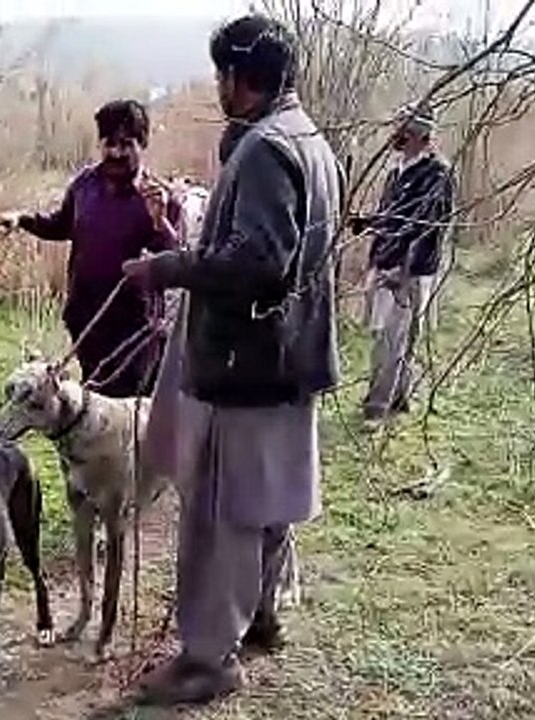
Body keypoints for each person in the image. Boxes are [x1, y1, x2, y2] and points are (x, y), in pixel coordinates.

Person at [122, 14, 345, 707]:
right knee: (267, 502)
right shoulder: (310, 140)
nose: (217, 85)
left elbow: (260, 261)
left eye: (221, 73)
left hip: (247, 365)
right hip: (288, 357)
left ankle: (207, 660)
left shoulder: (266, 151)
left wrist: (166, 267)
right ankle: (263, 617)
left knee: (222, 517)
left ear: (239, 79)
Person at [0, 99, 184, 397]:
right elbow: (61, 225)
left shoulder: (159, 197)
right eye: (109, 143)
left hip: (134, 330)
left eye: (126, 143)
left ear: (142, 144)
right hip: (86, 318)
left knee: (129, 411)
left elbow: (175, 259)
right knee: (94, 402)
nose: (116, 152)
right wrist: (21, 219)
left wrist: (160, 221)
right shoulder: (84, 185)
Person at [348, 100, 455, 422]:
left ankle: (377, 408)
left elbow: (431, 228)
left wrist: (405, 271)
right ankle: (398, 399)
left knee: (394, 340)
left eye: (404, 129)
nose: (397, 134)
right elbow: (391, 218)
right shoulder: (396, 172)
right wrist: (365, 224)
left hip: (411, 271)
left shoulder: (437, 173)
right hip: (387, 264)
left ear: (420, 134)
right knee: (388, 336)